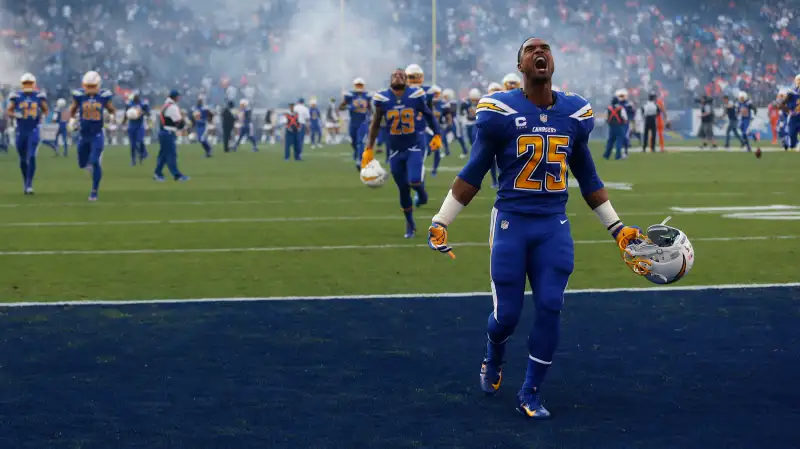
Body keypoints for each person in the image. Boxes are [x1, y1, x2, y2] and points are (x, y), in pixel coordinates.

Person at [426, 37, 642, 420]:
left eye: (545, 48)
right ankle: (493, 357)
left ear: (552, 62)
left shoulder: (574, 113)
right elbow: (473, 172)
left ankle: (530, 391)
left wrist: (617, 228)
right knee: (506, 316)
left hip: (553, 225)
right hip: (511, 222)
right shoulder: (499, 111)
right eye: (530, 49)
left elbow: (588, 177)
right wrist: (442, 219)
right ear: (521, 65)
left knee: (550, 306)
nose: (539, 52)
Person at [361, 69, 442, 238]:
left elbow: (429, 115)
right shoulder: (382, 99)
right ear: (390, 80)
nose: (398, 76)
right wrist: (369, 147)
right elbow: (375, 124)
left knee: (414, 180)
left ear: (406, 80)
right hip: (395, 150)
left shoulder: (415, 95)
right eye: (395, 75)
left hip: (413, 146)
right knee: (403, 189)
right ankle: (410, 224)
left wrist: (437, 134)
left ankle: (422, 193)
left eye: (401, 75)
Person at [70, 71, 114, 201]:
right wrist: (73, 121)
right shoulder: (79, 96)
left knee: (95, 161)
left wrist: (109, 119)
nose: (90, 89)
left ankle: (94, 191)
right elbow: (72, 110)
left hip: (97, 134)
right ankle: (90, 168)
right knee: (82, 163)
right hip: (84, 135)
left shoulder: (104, 96)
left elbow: (112, 111)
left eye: (92, 85)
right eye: (88, 86)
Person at [7, 73, 48, 195]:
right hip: (21, 129)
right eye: (26, 83)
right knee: (23, 159)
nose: (28, 86)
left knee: (31, 156)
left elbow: (46, 109)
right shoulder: (17, 96)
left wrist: (42, 117)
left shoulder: (38, 96)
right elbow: (9, 111)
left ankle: (29, 184)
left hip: (33, 129)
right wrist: (15, 115)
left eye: (30, 83)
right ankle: (26, 182)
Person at [153, 89, 189, 182]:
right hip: (168, 132)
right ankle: (176, 174)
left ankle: (157, 173)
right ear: (176, 97)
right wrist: (184, 122)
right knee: (171, 154)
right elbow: (178, 121)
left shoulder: (165, 105)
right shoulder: (173, 107)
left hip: (163, 131)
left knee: (163, 155)